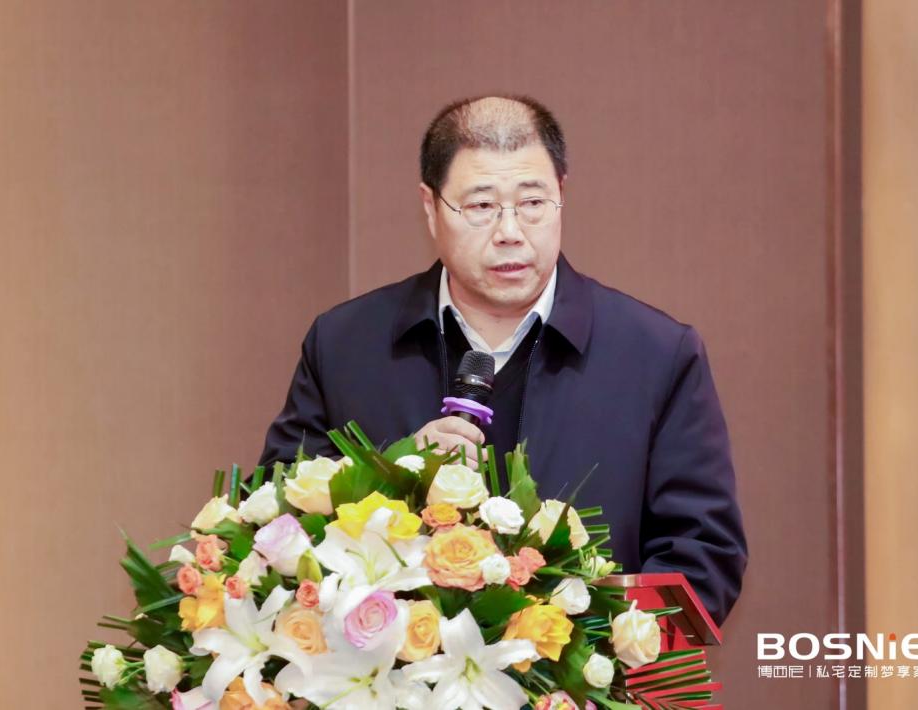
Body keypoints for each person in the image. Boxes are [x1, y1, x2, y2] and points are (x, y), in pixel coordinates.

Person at [259, 95, 747, 626]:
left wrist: (578, 652)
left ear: (561, 196)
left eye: (532, 202)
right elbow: (273, 531)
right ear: (431, 208)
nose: (510, 231)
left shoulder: (655, 354)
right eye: (481, 206)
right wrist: (392, 475)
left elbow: (702, 559)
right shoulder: (346, 345)